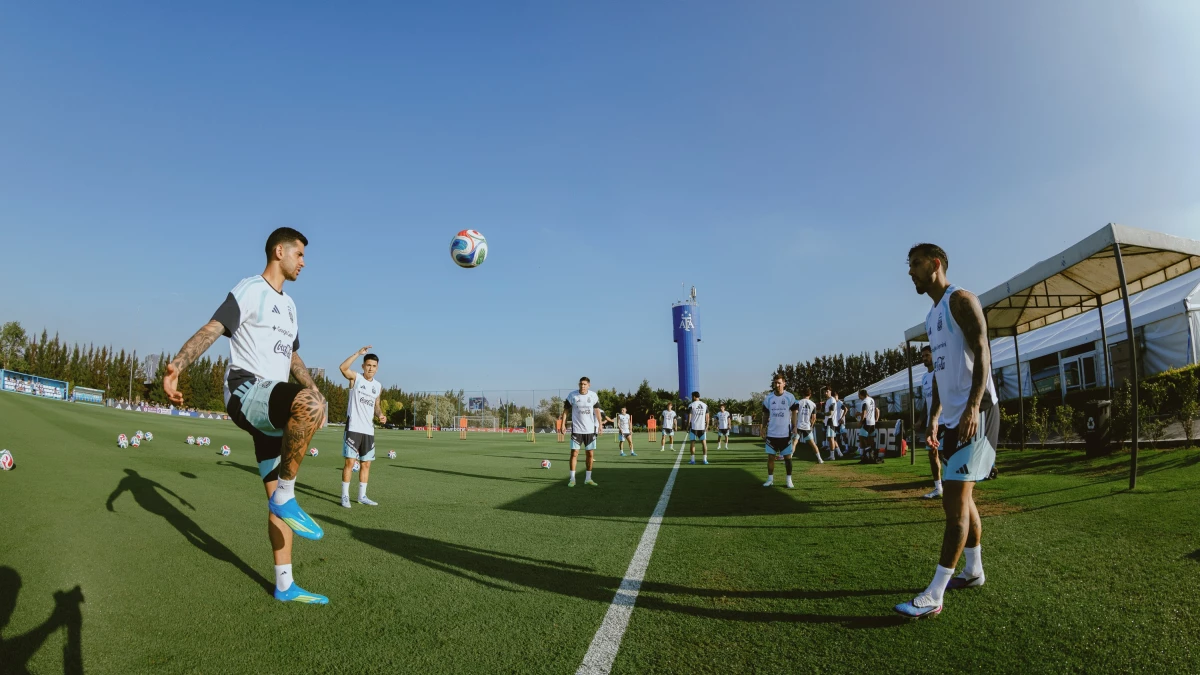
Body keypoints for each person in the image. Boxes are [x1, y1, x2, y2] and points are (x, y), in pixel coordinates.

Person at [164, 227, 330, 604]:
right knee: (309, 408)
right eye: (300, 254)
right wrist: (177, 365)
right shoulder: (250, 289)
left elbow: (292, 355)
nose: (304, 262)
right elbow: (213, 328)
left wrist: (313, 387)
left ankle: (284, 584)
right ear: (279, 251)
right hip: (246, 390)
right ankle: (286, 495)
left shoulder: (291, 307)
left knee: (279, 499)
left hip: (270, 405)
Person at [895, 242, 999, 619]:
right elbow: (940, 371)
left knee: (954, 502)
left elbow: (983, 351)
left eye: (916, 264)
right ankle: (974, 572)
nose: (910, 271)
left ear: (936, 264)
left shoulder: (961, 300)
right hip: (953, 419)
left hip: (978, 413)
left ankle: (935, 594)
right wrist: (935, 416)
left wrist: (972, 406)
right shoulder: (931, 317)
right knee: (963, 500)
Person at [338, 346, 386, 508]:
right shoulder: (356, 378)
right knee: (350, 463)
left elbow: (376, 405)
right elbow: (343, 368)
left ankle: (362, 496)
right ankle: (345, 496)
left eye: (374, 366)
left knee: (366, 464)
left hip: (368, 430)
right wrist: (358, 354)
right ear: (363, 366)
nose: (371, 368)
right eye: (368, 365)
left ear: (377, 368)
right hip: (353, 428)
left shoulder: (378, 386)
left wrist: (380, 415)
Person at [560, 377, 601, 487]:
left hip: (590, 430)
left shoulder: (593, 395)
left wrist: (600, 425)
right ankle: (572, 479)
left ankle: (588, 478)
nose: (582, 386)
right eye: (581, 384)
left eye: (584, 384)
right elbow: (566, 411)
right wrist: (563, 424)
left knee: (590, 454)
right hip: (577, 430)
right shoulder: (572, 395)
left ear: (589, 385)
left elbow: (597, 411)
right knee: (574, 453)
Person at [761, 375, 800, 489]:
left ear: (784, 383)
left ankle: (789, 480)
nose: (777, 385)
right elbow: (765, 414)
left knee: (788, 458)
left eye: (779, 383)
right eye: (775, 383)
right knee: (771, 458)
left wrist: (794, 426)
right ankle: (770, 479)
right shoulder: (769, 398)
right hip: (772, 434)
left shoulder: (790, 397)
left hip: (785, 434)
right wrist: (763, 428)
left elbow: (794, 413)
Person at [920, 345, 944, 499]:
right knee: (932, 454)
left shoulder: (941, 373)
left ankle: (952, 485)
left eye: (927, 355)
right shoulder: (924, 378)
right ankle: (938, 487)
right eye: (923, 356)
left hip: (945, 420)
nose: (924, 358)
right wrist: (921, 420)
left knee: (946, 454)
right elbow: (926, 401)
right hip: (932, 422)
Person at [790, 387, 822, 463]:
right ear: (810, 395)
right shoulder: (813, 404)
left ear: (802, 394)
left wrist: (794, 425)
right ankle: (820, 459)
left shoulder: (798, 402)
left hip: (799, 426)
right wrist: (811, 425)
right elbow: (814, 417)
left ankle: (789, 459)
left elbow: (794, 413)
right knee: (813, 444)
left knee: (794, 443)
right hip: (807, 426)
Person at [686, 391, 710, 465]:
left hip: (694, 427)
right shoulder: (705, 405)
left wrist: (688, 425)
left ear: (694, 397)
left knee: (692, 443)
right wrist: (707, 426)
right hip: (702, 427)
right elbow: (707, 416)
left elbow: (689, 415)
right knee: (704, 443)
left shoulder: (691, 405)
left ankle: (693, 460)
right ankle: (705, 460)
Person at [857, 389, 880, 464]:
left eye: (859, 395)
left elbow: (864, 412)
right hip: (872, 422)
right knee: (871, 440)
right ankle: (872, 456)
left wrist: (861, 422)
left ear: (861, 395)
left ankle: (865, 456)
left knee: (862, 438)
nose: (858, 397)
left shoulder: (864, 401)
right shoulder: (872, 400)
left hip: (866, 422)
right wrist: (876, 419)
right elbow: (876, 409)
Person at [822, 387, 842, 460]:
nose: (826, 393)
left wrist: (823, 414)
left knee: (831, 439)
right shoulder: (828, 400)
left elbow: (831, 412)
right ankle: (839, 453)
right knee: (832, 439)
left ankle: (832, 456)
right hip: (829, 421)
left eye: (827, 391)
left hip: (831, 421)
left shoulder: (832, 400)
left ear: (830, 391)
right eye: (825, 392)